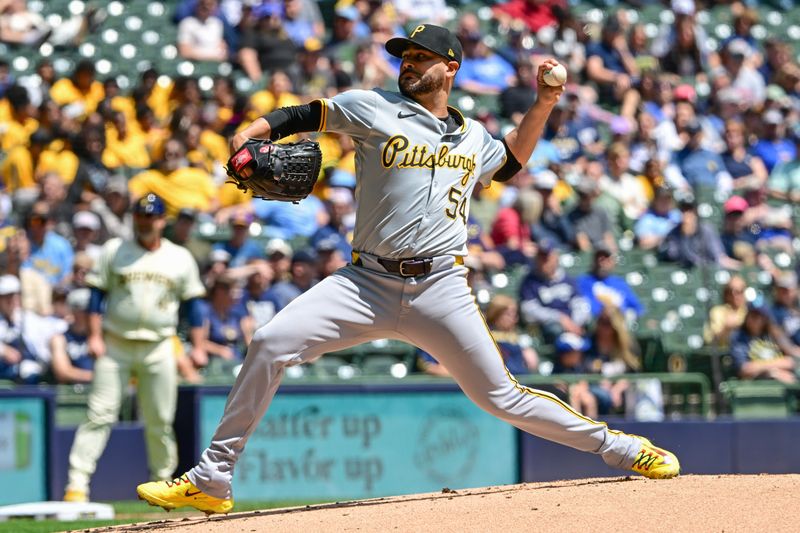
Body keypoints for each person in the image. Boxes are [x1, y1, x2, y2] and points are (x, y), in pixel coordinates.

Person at [136, 24, 679, 515]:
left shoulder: (472, 137)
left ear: (451, 68)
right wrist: (248, 135)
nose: (409, 64)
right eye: (405, 57)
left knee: (501, 397)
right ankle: (212, 478)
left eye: (422, 57)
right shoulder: (373, 106)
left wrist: (545, 101)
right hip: (364, 282)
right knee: (271, 342)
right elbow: (305, 115)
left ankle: (628, 449)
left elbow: (509, 162)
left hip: (440, 286)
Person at [63, 194, 207, 503]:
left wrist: (197, 345)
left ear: (161, 221)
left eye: (151, 216)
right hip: (116, 343)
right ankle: (77, 484)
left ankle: (162, 483)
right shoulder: (115, 250)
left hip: (158, 345)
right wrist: (95, 336)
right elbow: (96, 296)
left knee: (159, 420)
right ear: (134, 218)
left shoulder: (180, 257)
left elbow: (194, 306)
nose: (145, 221)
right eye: (140, 215)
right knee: (99, 415)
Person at [730, 305, 800, 384]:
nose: (754, 319)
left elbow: (790, 361)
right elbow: (744, 369)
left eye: (758, 316)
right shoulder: (739, 337)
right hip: (755, 385)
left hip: (785, 382)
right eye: (751, 315)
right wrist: (773, 372)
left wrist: (761, 366)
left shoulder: (774, 334)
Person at [704, 275, 748, 348]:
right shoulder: (717, 312)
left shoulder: (751, 312)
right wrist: (726, 329)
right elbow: (709, 340)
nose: (734, 295)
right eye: (731, 291)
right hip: (724, 354)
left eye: (739, 291)